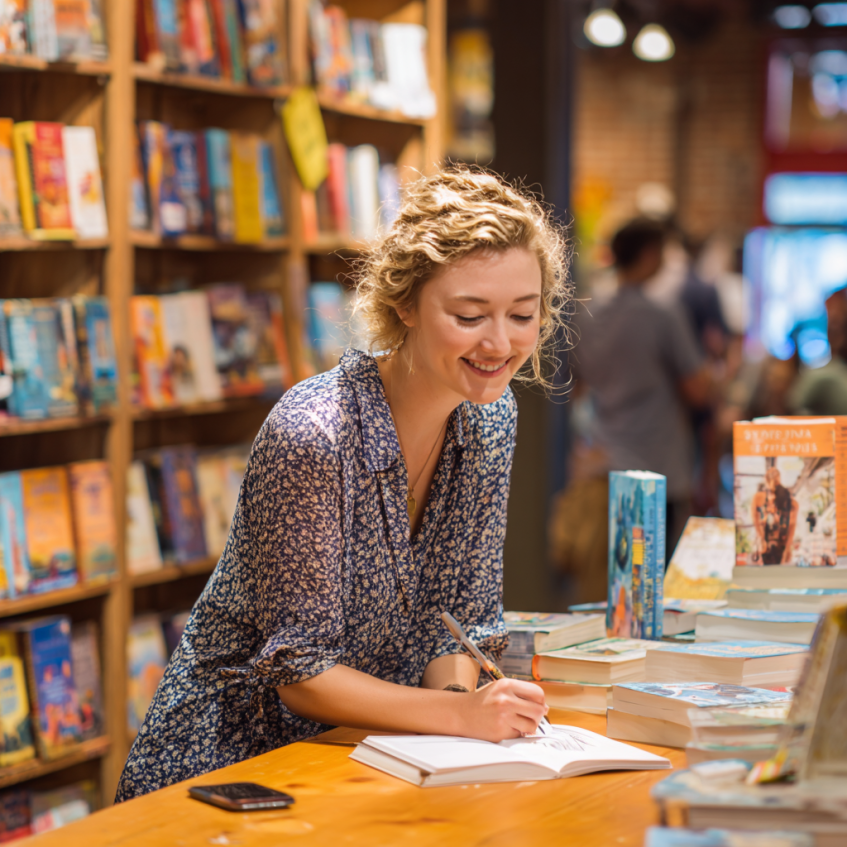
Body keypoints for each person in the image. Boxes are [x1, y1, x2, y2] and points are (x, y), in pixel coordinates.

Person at [115, 167, 572, 801]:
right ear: (404, 304)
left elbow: (458, 623)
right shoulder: (315, 433)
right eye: (470, 315)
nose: (500, 342)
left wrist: (459, 714)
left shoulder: (491, 417)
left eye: (523, 314)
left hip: (365, 758)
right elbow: (300, 674)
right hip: (230, 769)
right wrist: (460, 718)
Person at [573, 218, 711, 556]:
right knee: (654, 577)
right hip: (658, 466)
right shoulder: (663, 315)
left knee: (616, 577)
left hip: (605, 461)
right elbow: (697, 390)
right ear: (650, 255)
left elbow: (573, 388)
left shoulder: (589, 314)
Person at [751, 467, 798, 565]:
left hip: (775, 544)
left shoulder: (758, 498)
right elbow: (792, 526)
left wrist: (761, 538)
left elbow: (755, 521)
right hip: (774, 545)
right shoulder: (791, 502)